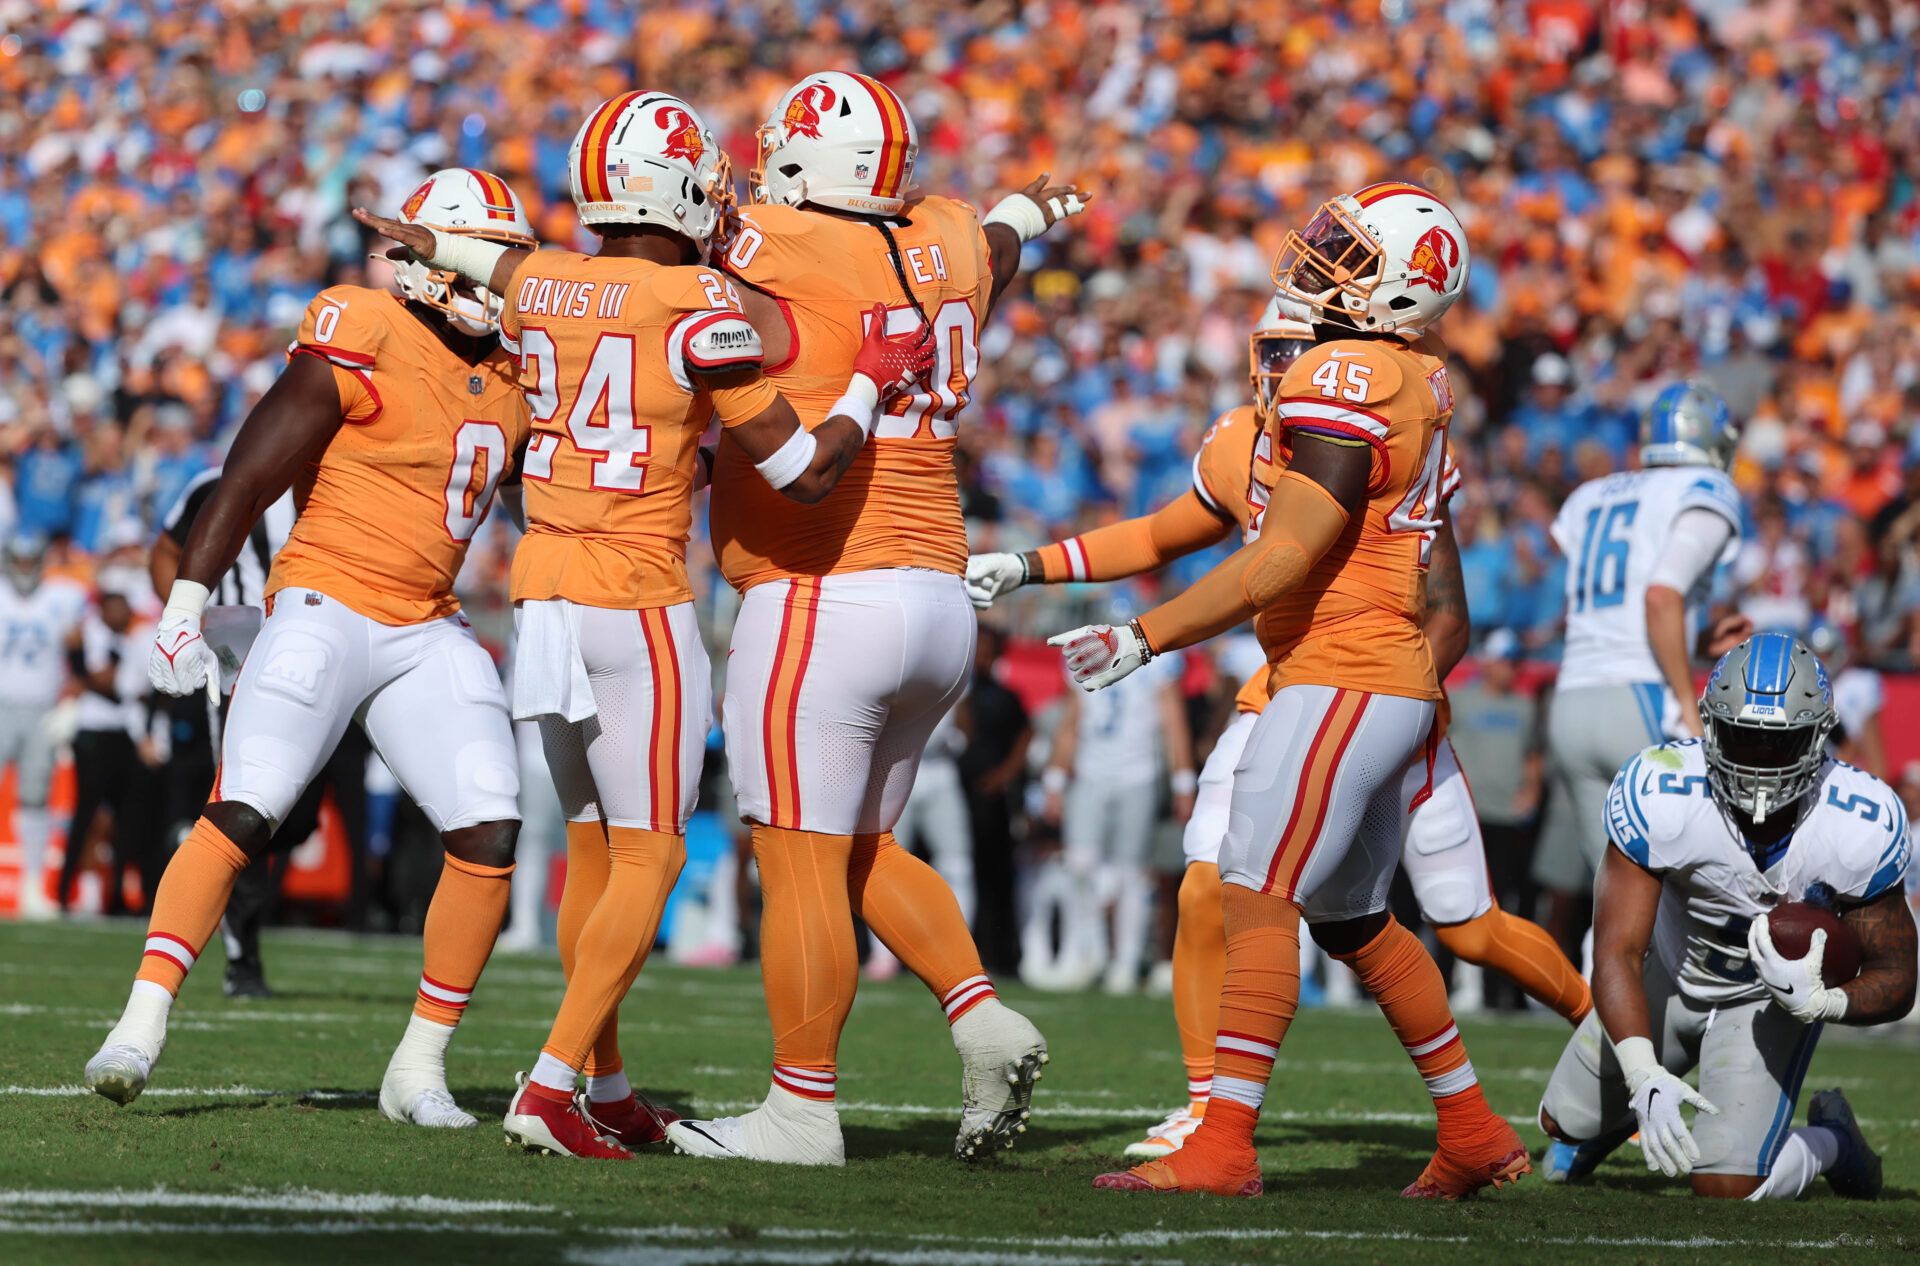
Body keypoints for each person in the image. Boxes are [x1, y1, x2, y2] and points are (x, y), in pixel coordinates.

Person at [358, 93, 935, 1160]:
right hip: (634, 592)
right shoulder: (701, 301)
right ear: (672, 186)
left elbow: (484, 267)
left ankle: (607, 1083)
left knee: (593, 850)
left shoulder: (541, 281)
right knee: (653, 855)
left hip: (539, 590)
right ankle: (549, 1085)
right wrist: (867, 383)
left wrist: (418, 234)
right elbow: (806, 474)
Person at [974, 307, 1585, 1165]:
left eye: (1315, 352)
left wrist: (1145, 636)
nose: (1293, 367)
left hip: (1366, 688)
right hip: (1294, 688)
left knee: (1449, 921)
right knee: (1261, 897)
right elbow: (1159, 533)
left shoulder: (1370, 429)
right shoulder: (1243, 440)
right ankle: (1223, 1109)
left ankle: (1607, 1038)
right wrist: (1033, 564)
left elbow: (1411, 601)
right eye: (1287, 351)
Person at [1050, 183, 1530, 1200]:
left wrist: (1148, 634)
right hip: (1372, 673)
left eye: (1349, 258)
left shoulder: (1348, 371)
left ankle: (1221, 1147)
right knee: (1350, 914)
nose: (1319, 266)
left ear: (1400, 292)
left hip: (1341, 671)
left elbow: (1284, 556)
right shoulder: (1401, 372)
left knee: (1255, 891)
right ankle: (1475, 1129)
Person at [666, 71, 1087, 1167]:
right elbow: (995, 245)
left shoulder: (778, 243)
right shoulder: (945, 233)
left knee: (798, 859)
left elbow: (683, 273)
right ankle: (981, 1018)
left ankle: (801, 1110)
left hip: (821, 582)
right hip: (938, 593)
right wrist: (1028, 213)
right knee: (860, 848)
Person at [83, 169, 537, 1132]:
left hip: (428, 621)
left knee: (491, 827)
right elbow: (245, 478)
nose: (495, 284)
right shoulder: (362, 325)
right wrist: (186, 606)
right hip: (325, 601)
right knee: (246, 811)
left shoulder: (515, 375)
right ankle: (141, 1021)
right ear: (428, 262)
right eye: (478, 260)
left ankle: (417, 1069)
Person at [1539, 633, 1913, 1200]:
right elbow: (1617, 950)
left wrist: (1824, 1001)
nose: (1758, 760)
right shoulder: (1663, 787)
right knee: (1560, 1128)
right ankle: (1613, 1119)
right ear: (1711, 726)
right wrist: (1642, 1077)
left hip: (1767, 1001)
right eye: (1743, 738)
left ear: (1817, 738)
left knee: (1728, 1185)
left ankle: (1833, 1141)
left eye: (1778, 744)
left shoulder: (1858, 819)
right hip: (1667, 972)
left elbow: (1898, 978)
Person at [150, 468, 372, 996]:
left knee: (295, 820)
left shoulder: (339, 476)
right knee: (244, 803)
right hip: (238, 645)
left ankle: (196, 844)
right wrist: (185, 621)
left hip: (314, 652)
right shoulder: (211, 483)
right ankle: (241, 962)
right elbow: (163, 550)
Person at [1545, 383, 1750, 889]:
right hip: (1640, 698)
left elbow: (1613, 604)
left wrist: (1694, 640)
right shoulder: (1703, 488)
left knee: (1612, 900)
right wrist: (1686, 701)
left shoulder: (1592, 494)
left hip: (1571, 701)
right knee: (1685, 895)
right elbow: (1660, 594)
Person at [1035, 628, 1194, 994]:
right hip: (1091, 773)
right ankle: (1084, 952)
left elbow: (1173, 723)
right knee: (1079, 865)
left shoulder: (1158, 662)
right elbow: (1071, 723)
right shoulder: (1086, 656)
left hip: (1137, 775)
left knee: (1131, 874)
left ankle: (1125, 960)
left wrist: (1184, 781)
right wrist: (1055, 779)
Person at [61, 567, 162, 914]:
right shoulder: (88, 633)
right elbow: (109, 682)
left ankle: (115, 895)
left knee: (126, 820)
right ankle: (64, 891)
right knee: (86, 813)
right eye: (114, 603)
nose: (120, 611)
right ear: (103, 605)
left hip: (124, 734)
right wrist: (100, 682)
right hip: (92, 732)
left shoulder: (132, 640)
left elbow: (126, 687)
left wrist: (97, 682)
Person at [0, 536, 87, 918]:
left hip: (42, 710)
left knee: (35, 796)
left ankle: (32, 886)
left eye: (28, 560)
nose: (22, 568)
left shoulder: (61, 596)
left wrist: (71, 698)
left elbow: (78, 649)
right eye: (17, 560)